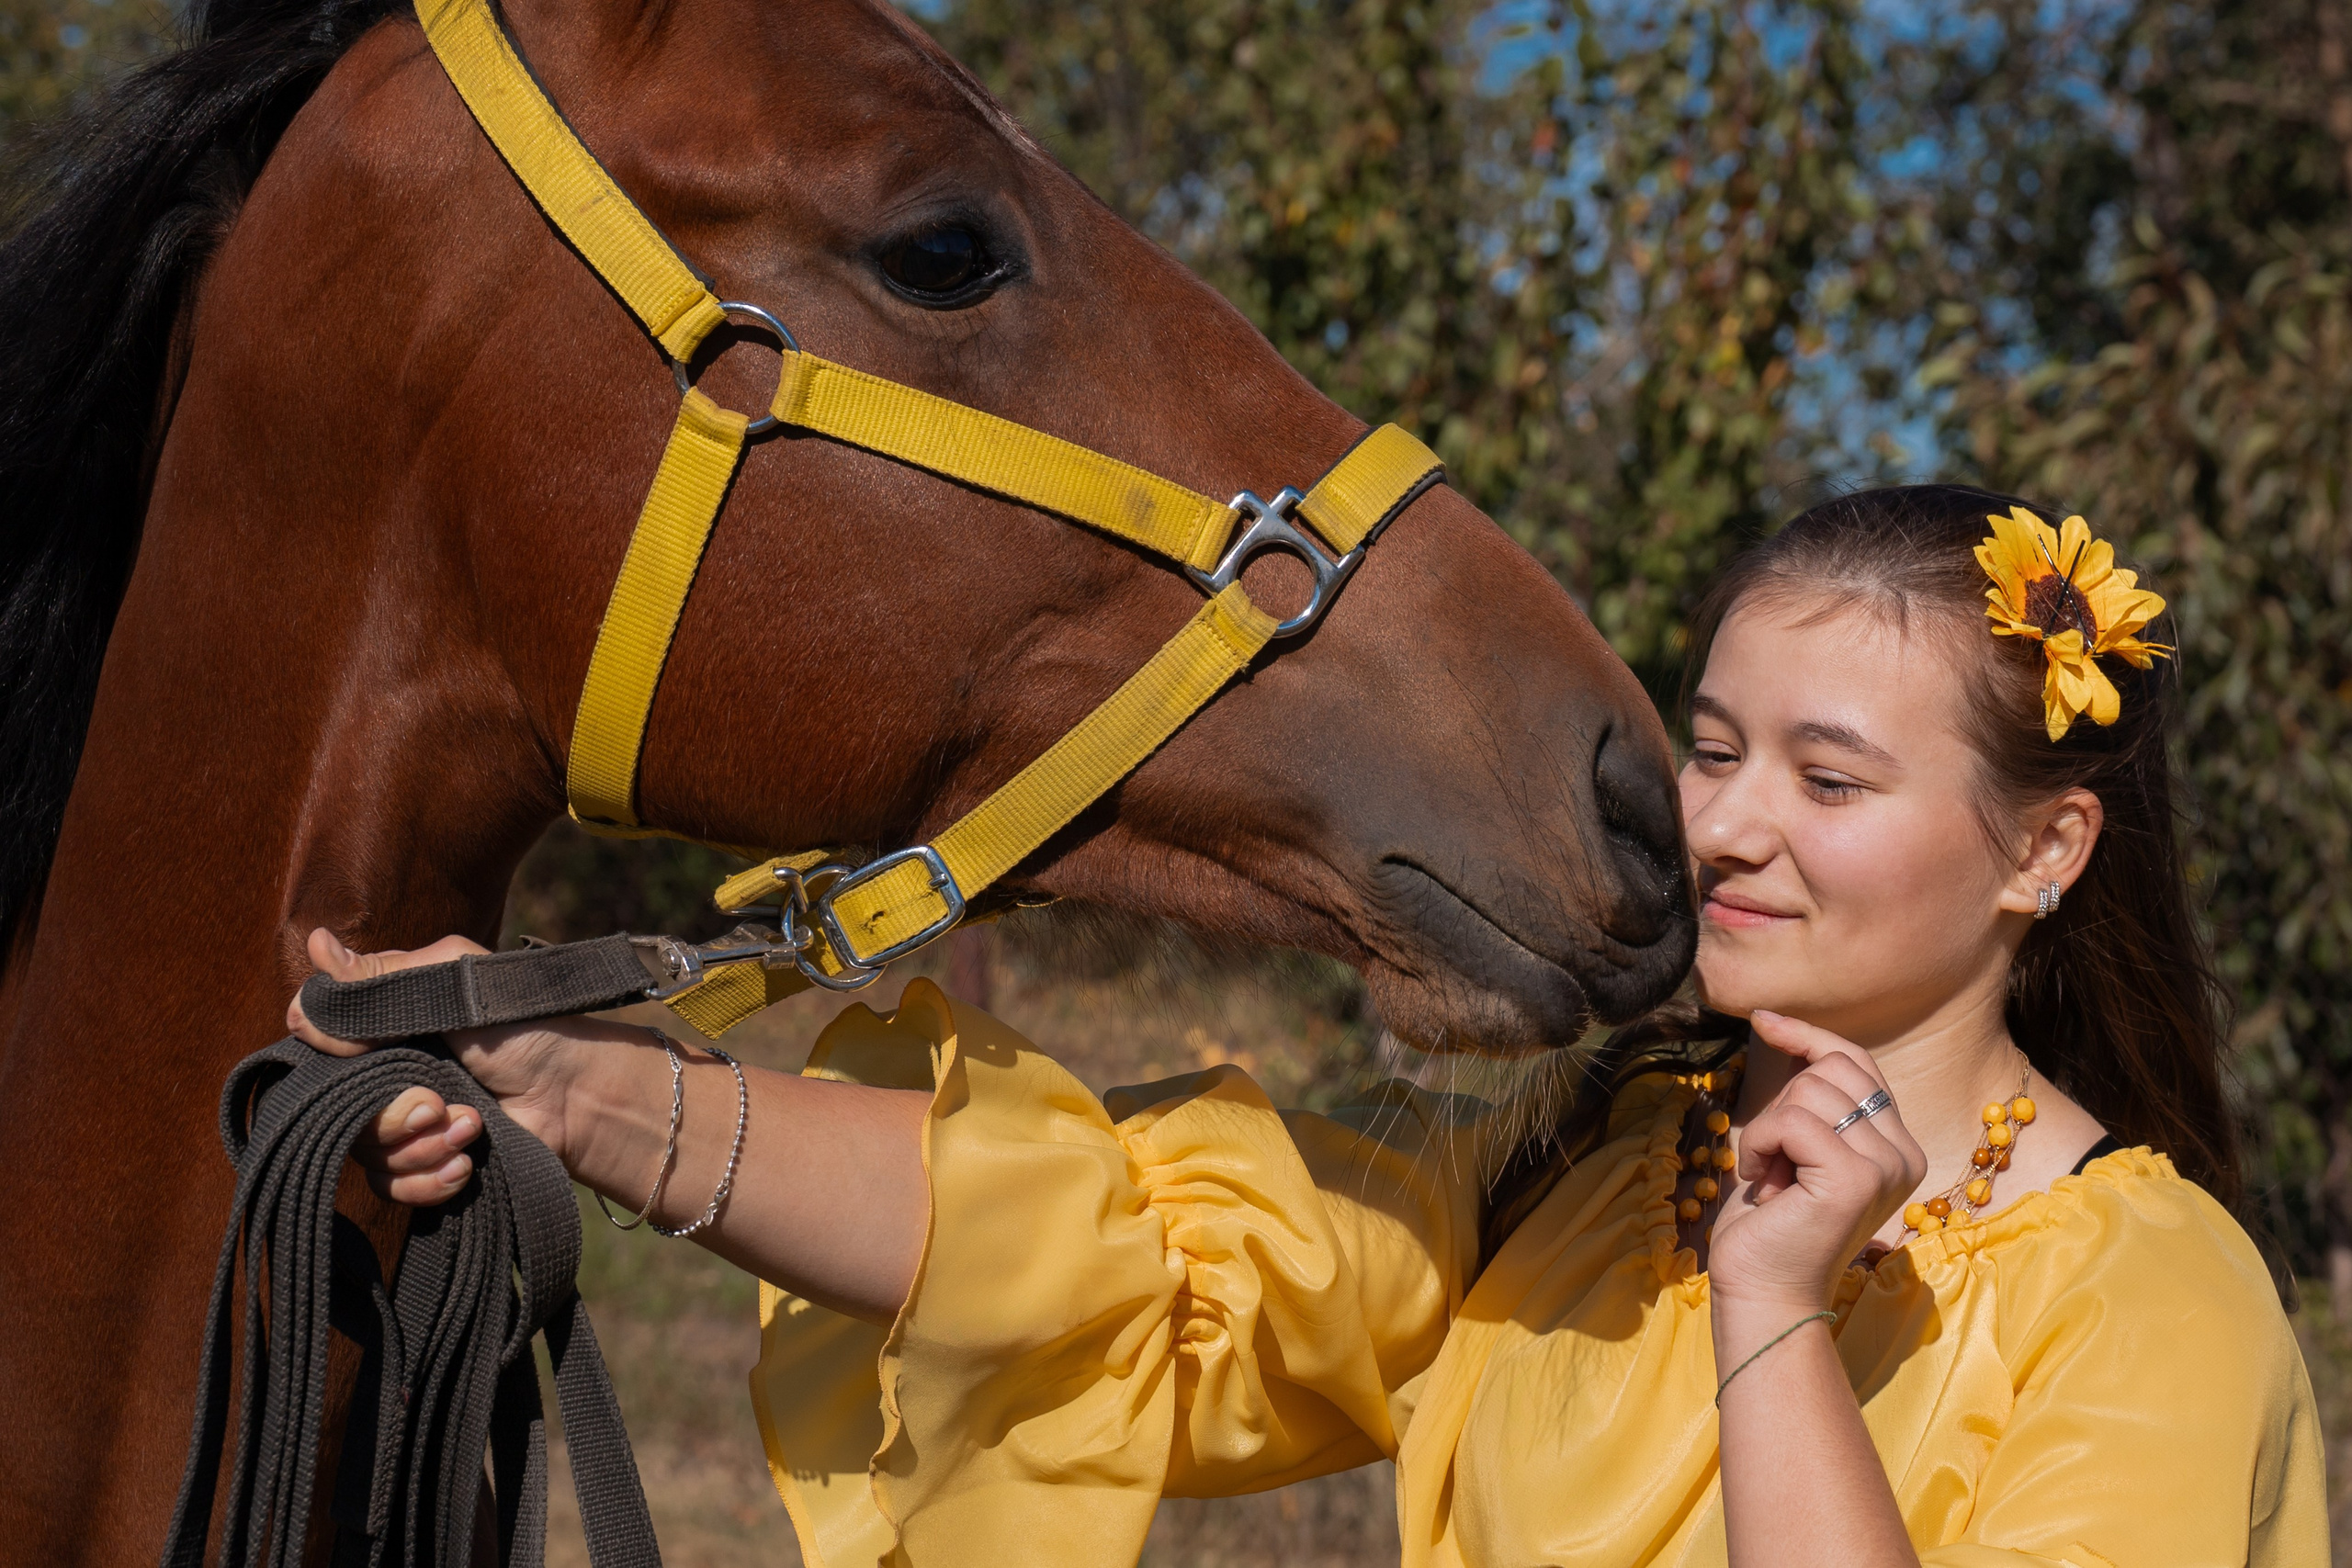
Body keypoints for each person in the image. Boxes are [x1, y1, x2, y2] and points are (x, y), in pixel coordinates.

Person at [300, 485, 2325, 1566]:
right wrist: (563, 1082)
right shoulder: (1576, 1158)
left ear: (2042, 847)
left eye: (1826, 776)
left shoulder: (2145, 1296)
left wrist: (1776, 1306)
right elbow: (1092, 1250)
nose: (1720, 825)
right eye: (1708, 750)